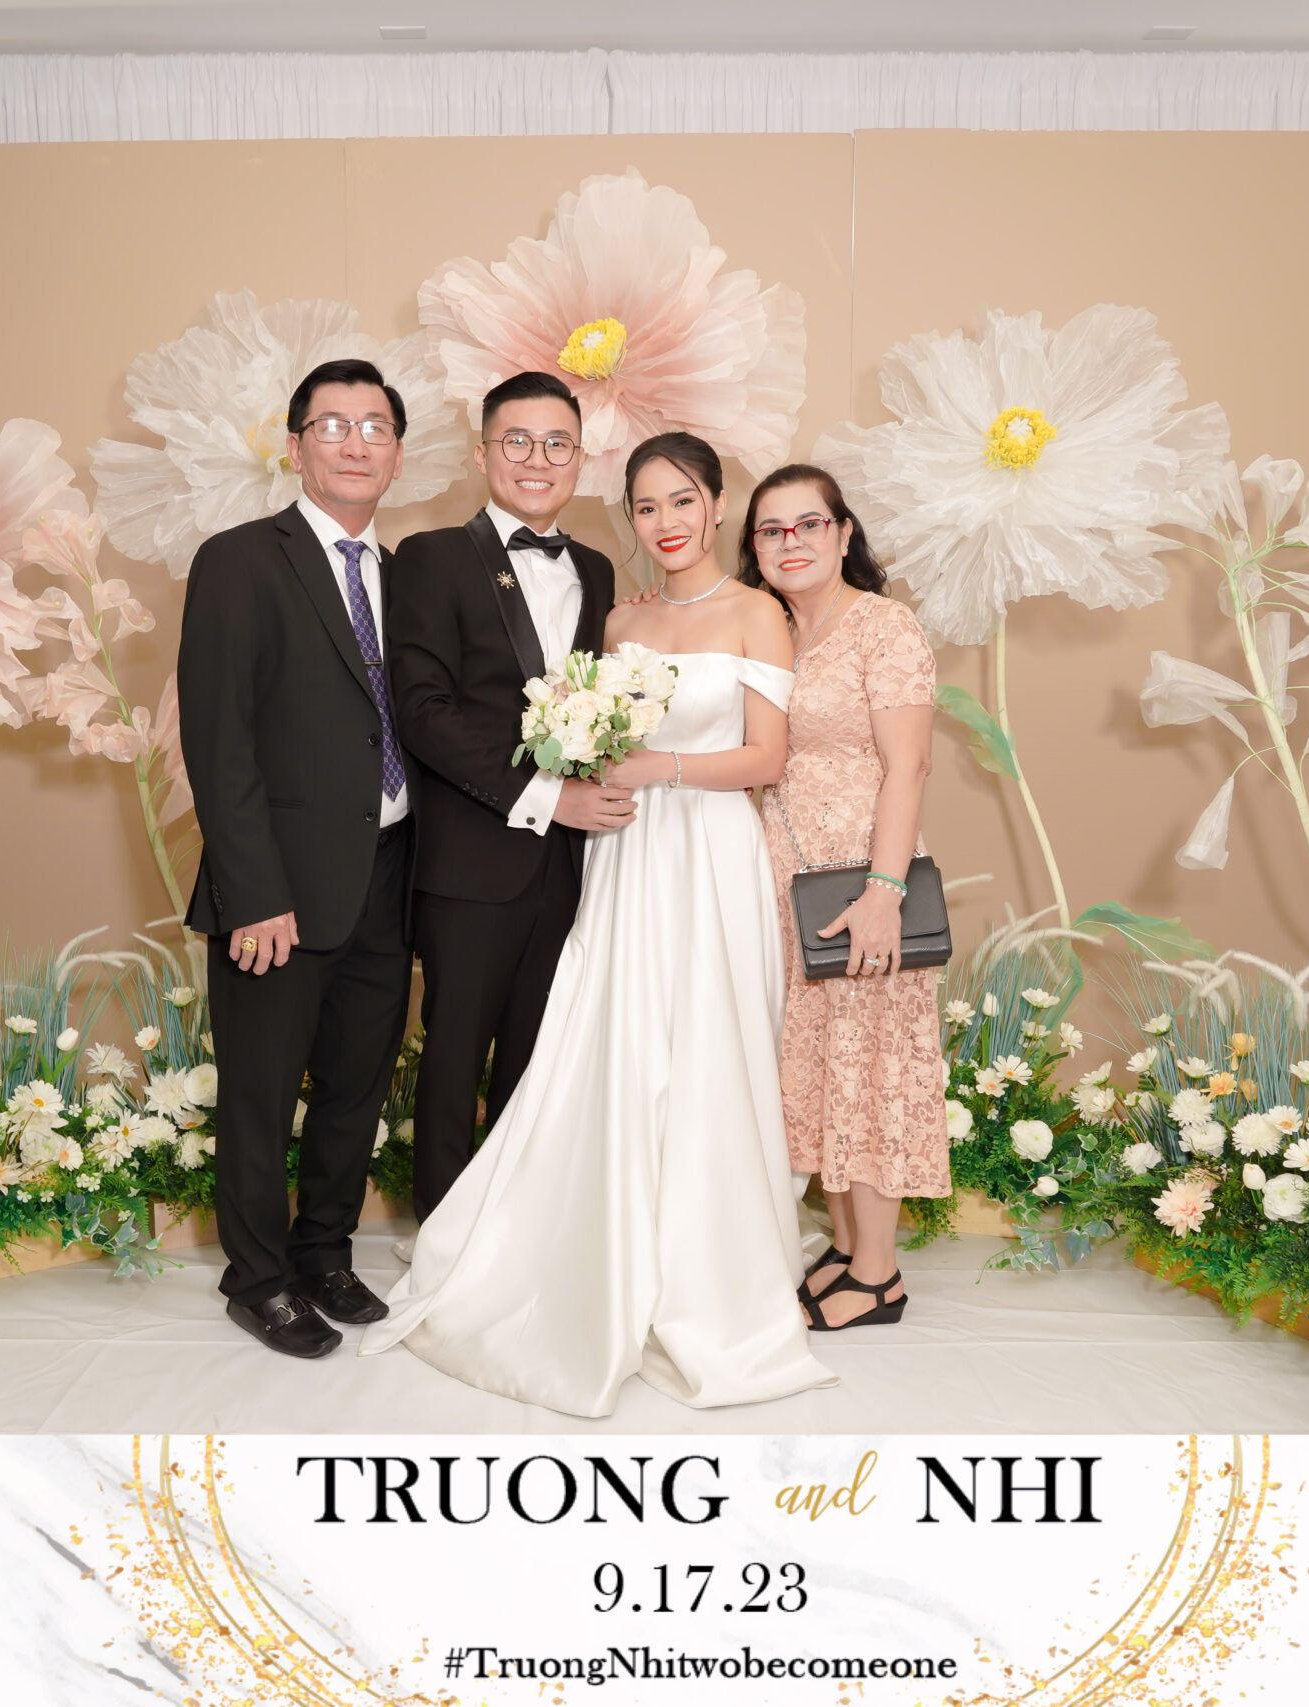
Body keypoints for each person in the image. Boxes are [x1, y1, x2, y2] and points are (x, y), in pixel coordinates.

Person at [359, 433, 837, 1416]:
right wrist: (586, 762)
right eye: (645, 506)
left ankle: (708, 1270)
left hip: (709, 855)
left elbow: (767, 758)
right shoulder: (618, 618)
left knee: (709, 1045)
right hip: (621, 854)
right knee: (614, 1043)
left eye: (682, 501)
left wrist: (657, 768)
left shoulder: (758, 612)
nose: (665, 522)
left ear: (717, 506)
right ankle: (597, 1246)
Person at [175, 358, 415, 1359]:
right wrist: (253, 893)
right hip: (277, 889)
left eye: (375, 427)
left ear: (397, 453)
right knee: (262, 1094)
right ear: (295, 445)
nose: (356, 443)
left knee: (355, 1090)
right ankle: (258, 1279)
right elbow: (217, 739)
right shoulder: (239, 560)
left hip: (387, 875)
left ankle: (324, 1254)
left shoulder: (403, 575)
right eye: (334, 425)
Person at [386, 371, 624, 1233]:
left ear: (580, 459)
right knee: (454, 1057)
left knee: (538, 1054)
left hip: (571, 865)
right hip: (474, 858)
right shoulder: (432, 557)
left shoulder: (597, 569)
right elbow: (424, 712)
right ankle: (444, 1235)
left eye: (557, 443)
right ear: (484, 452)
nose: (537, 458)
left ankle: (515, 1237)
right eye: (516, 440)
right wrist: (546, 798)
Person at [741, 464, 944, 1330]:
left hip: (861, 880)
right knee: (824, 1069)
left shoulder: (883, 627)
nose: (791, 542)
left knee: (870, 1069)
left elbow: (910, 765)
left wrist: (883, 892)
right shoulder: (769, 626)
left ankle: (878, 1275)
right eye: (771, 529)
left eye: (808, 524)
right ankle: (850, 1246)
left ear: (844, 532)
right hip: (783, 882)